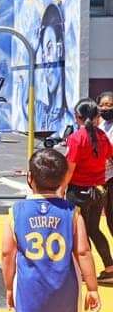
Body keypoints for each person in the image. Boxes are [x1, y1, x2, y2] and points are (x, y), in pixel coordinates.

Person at [2, 149, 100, 312]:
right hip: (66, 296)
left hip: (31, 298)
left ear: (30, 178)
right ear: (65, 178)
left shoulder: (15, 213)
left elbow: (7, 254)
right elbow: (84, 251)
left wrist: (8, 288)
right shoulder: (72, 213)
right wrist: (93, 288)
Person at [61, 99, 113, 283]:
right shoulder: (102, 136)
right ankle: (109, 267)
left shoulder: (76, 138)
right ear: (96, 117)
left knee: (78, 232)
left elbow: (70, 168)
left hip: (78, 191)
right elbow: (110, 156)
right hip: (99, 190)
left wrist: (61, 190)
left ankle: (83, 271)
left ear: (78, 117)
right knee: (94, 229)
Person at [98, 91, 113, 263]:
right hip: (106, 178)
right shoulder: (102, 126)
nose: (105, 108)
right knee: (110, 218)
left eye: (109, 105)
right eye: (102, 105)